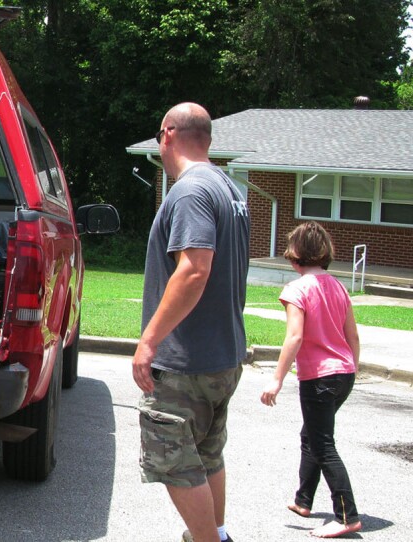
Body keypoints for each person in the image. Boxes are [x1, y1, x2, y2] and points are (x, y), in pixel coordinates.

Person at [132, 102, 250, 542]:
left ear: (167, 134)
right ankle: (215, 532)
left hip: (187, 360)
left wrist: (149, 341)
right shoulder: (228, 190)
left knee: (173, 460)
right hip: (223, 356)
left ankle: (210, 540)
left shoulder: (189, 191)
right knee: (206, 455)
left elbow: (194, 269)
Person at [261, 221, 361, 539]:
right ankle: (304, 500)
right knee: (313, 435)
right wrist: (351, 368)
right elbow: (353, 335)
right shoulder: (339, 286)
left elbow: (294, 337)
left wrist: (275, 379)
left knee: (322, 444)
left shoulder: (296, 289)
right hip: (344, 373)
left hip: (319, 377)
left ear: (294, 256)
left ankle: (347, 515)